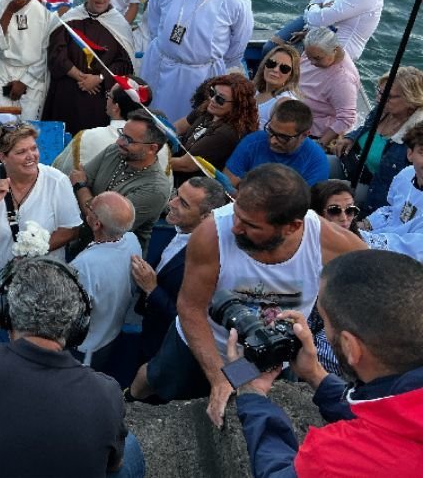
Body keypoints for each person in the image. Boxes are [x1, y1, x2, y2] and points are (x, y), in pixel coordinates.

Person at [128, 164, 366, 428]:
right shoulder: (211, 233)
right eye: (236, 213)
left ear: (292, 226)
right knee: (152, 377)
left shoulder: (331, 243)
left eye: (250, 225)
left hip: (267, 355)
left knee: (248, 417)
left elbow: (373, 291)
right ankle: (128, 400)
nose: (235, 227)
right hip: (206, 339)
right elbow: (190, 308)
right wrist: (219, 377)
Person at [0, 258, 145, 478]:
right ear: (76, 327)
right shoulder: (106, 393)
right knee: (130, 445)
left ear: (5, 315)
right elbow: (114, 465)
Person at [232, 249, 423, 478]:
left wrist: (249, 390)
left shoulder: (333, 460)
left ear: (350, 347)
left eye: (323, 320)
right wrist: (315, 375)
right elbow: (395, 416)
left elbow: (275, 473)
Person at [139, 0, 254, 122]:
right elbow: (153, 22)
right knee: (149, 116)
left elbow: (238, 45)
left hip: (200, 75)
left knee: (188, 121)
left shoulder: (235, 1)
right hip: (161, 63)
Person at [0, 122, 82, 286]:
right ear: (3, 157)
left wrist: (33, 252)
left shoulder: (57, 181)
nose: (31, 156)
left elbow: (72, 230)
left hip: (44, 281)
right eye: (21, 152)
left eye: (33, 148)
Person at [131, 178, 229, 364]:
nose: (171, 203)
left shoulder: (209, 258)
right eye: (177, 195)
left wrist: (152, 289)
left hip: (168, 352)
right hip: (150, 333)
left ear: (206, 216)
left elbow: (190, 320)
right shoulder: (179, 229)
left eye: (183, 203)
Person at [41, 0, 135, 134]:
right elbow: (56, 55)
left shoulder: (120, 25)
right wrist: (81, 77)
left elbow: (124, 64)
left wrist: (98, 78)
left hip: (100, 99)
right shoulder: (70, 19)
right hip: (68, 93)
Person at [71, 109, 173, 253]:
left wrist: (81, 187)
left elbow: (104, 225)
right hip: (83, 242)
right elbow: (79, 176)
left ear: (152, 148)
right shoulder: (116, 151)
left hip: (116, 256)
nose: (119, 141)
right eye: (122, 134)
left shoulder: (155, 188)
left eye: (129, 140)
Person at [333, 66, 423, 216]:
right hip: (352, 163)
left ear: (410, 99)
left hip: (372, 189)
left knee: (324, 190)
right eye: (379, 91)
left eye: (388, 95)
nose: (379, 98)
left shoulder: (415, 136)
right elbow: (365, 128)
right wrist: (351, 137)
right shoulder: (383, 109)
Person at [70, 192, 140, 369]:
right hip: (110, 335)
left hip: (86, 348)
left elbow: (71, 314)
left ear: (96, 224)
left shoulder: (84, 265)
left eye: (90, 207)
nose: (87, 207)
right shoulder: (132, 240)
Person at [52, 77, 169, 176]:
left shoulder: (88, 137)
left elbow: (60, 172)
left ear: (116, 107)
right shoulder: (161, 147)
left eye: (109, 95)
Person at [309, 178, 360, 376]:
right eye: (334, 210)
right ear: (317, 214)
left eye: (350, 210)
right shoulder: (299, 249)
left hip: (343, 324)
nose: (344, 217)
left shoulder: (363, 244)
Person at [171, 73, 258, 188]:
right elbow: (176, 128)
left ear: (237, 106)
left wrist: (150, 161)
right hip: (177, 170)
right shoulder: (209, 109)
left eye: (220, 99)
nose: (212, 100)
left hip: (192, 185)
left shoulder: (227, 133)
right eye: (212, 93)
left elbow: (186, 165)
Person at [224, 99, 329, 187]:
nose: (273, 141)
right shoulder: (254, 141)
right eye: (271, 131)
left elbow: (306, 205)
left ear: (304, 135)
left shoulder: (316, 161)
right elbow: (227, 182)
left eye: (283, 137)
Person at [358, 123, 423, 262]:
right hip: (376, 243)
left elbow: (414, 248)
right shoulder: (406, 174)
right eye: (422, 152)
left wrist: (359, 238)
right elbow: (392, 210)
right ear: (410, 154)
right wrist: (366, 224)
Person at [298, 27, 360, 147]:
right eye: (308, 55)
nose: (311, 62)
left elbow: (346, 119)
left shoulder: (343, 80)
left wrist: (320, 145)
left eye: (316, 58)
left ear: (335, 50)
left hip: (311, 131)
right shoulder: (315, 52)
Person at [253, 45, 302, 129]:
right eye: (271, 63)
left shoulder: (285, 103)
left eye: (284, 68)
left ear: (291, 75)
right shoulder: (255, 90)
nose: (275, 70)